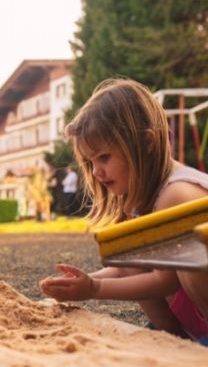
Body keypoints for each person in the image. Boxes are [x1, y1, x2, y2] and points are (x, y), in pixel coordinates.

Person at [38, 78, 208, 343]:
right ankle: (174, 339)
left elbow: (167, 280)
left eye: (104, 157)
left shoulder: (178, 193)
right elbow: (126, 269)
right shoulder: (140, 196)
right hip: (194, 315)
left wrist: (94, 289)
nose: (96, 172)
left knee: (186, 246)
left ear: (147, 143)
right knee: (127, 245)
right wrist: (79, 283)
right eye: (90, 162)